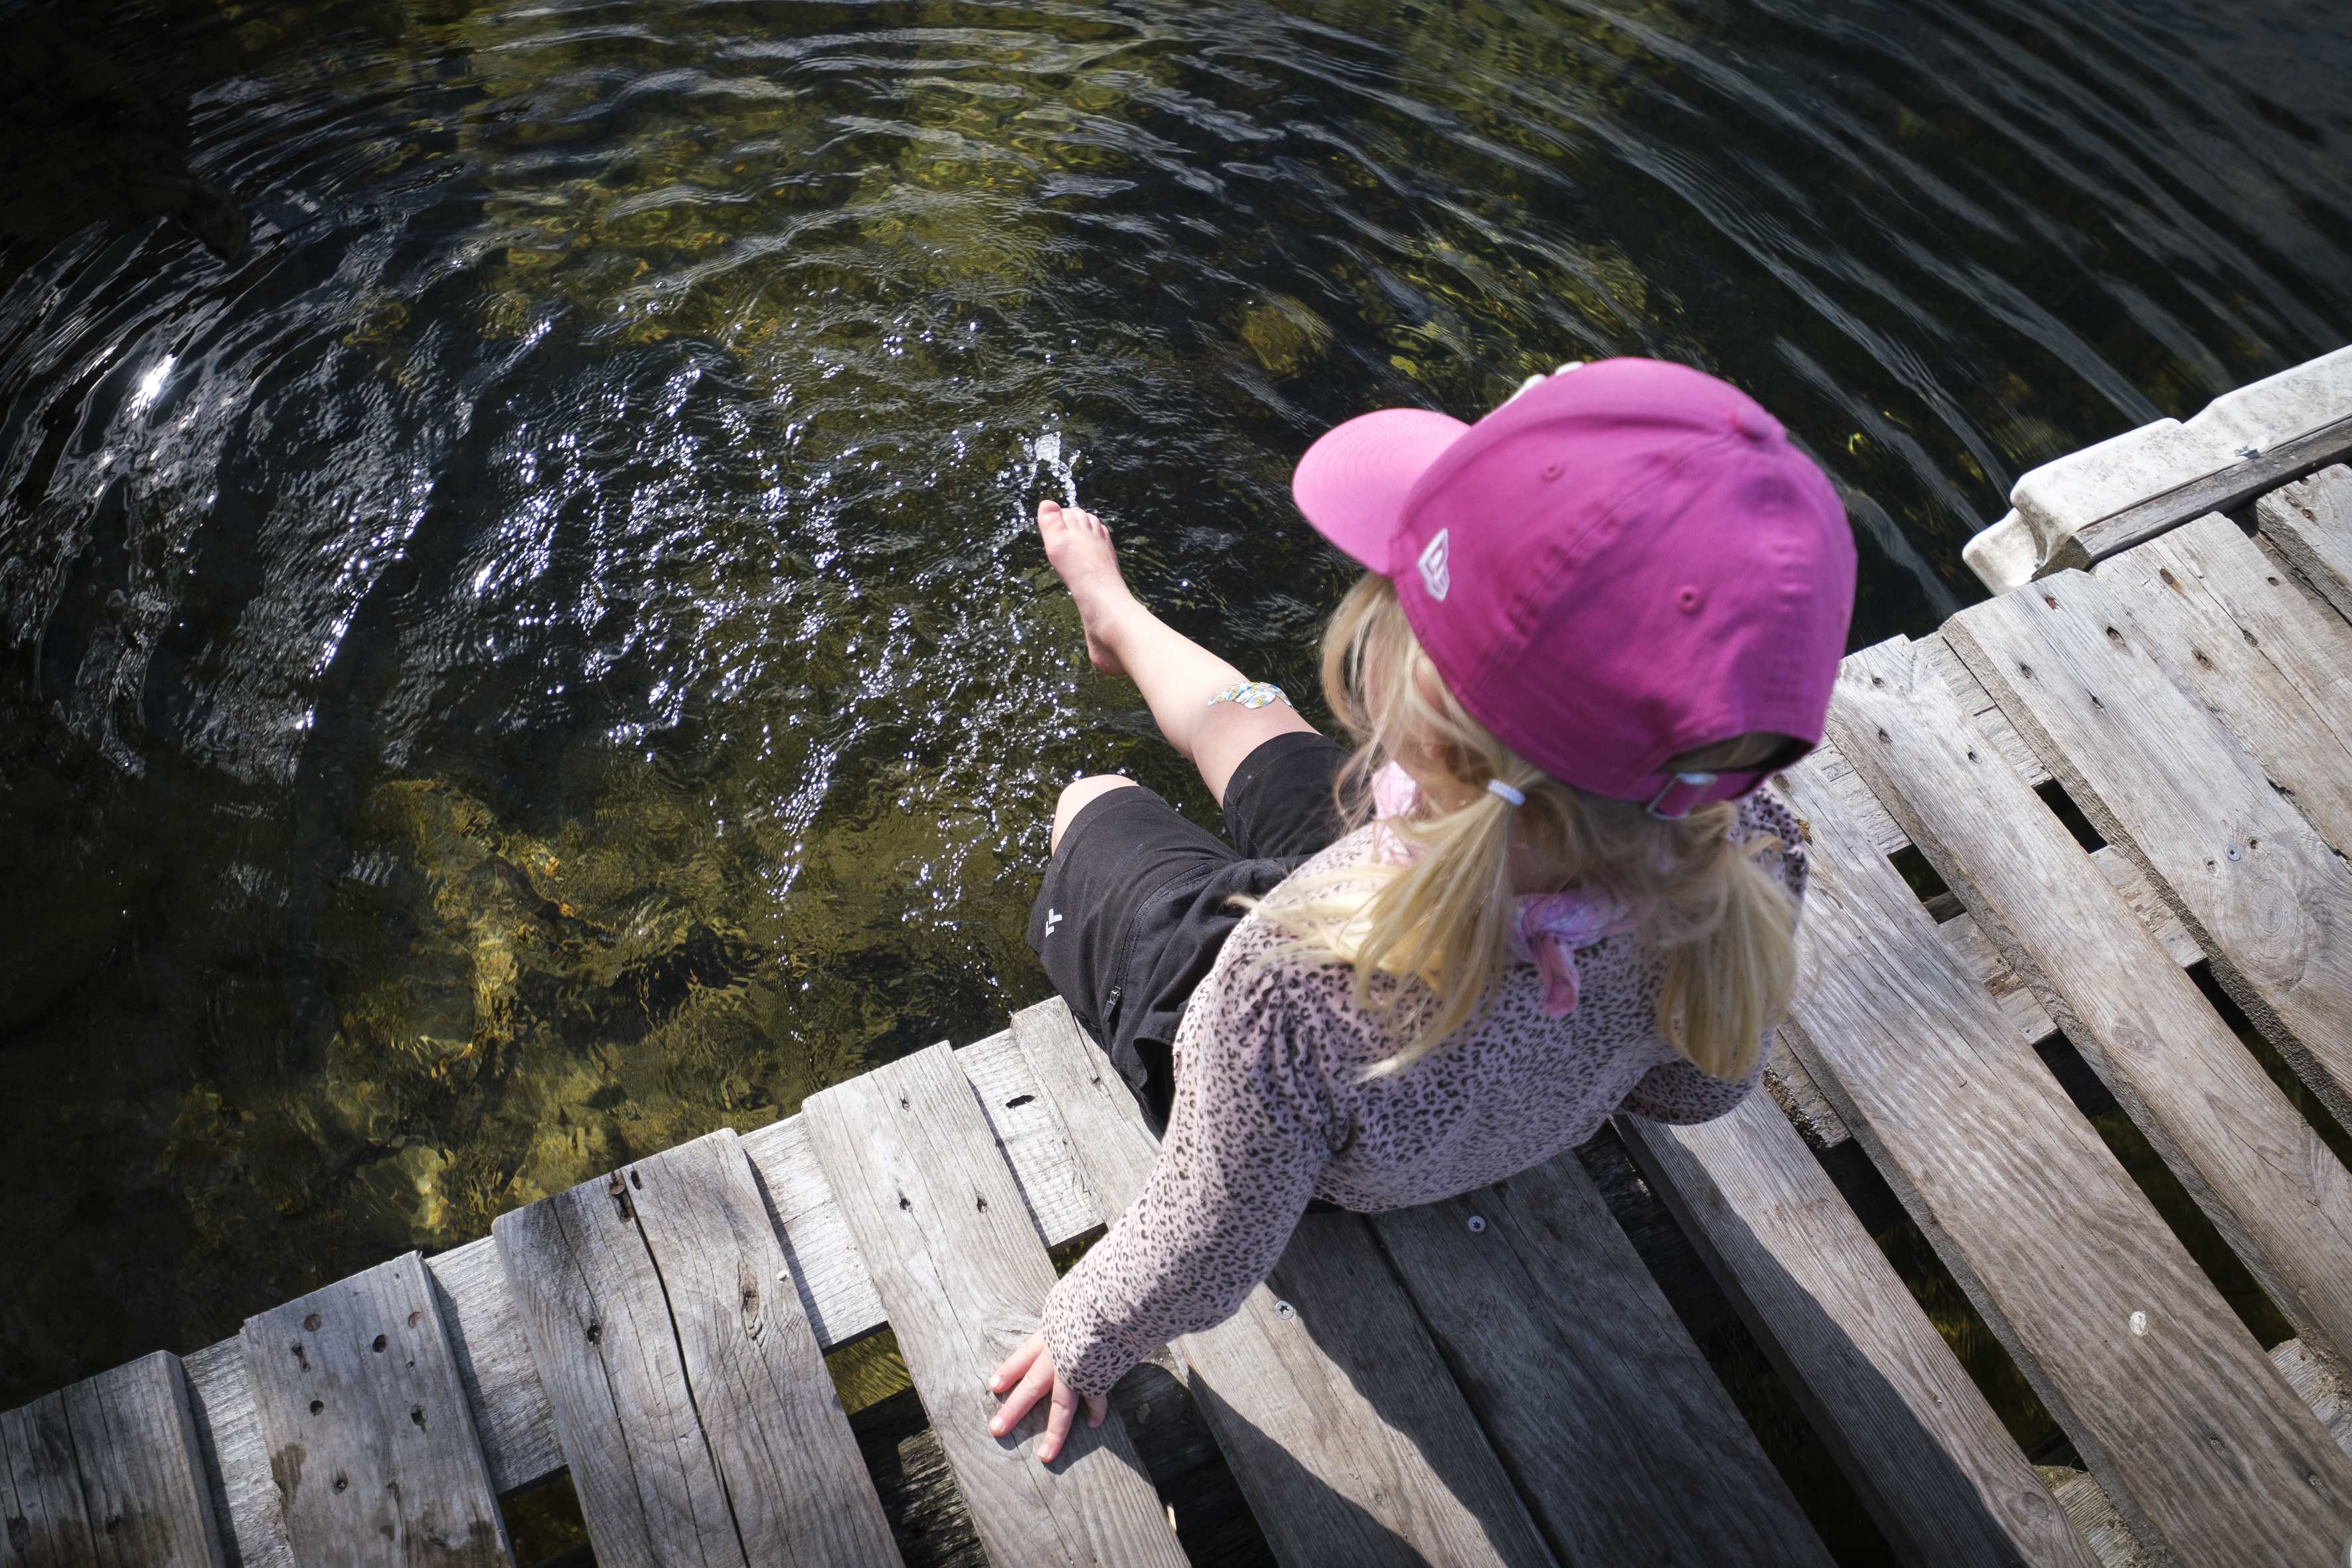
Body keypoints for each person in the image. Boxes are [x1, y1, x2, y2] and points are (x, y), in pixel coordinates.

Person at [987, 357, 1856, 1460]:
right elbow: (1692, 1085)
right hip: (1460, 878)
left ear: (1424, 718)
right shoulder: (1743, 858)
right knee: (1269, 743)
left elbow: (1206, 1236)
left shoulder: (1285, 995)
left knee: (1094, 802)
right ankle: (1113, 609)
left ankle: (1111, 665)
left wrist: (1084, 1332)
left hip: (1326, 1115)